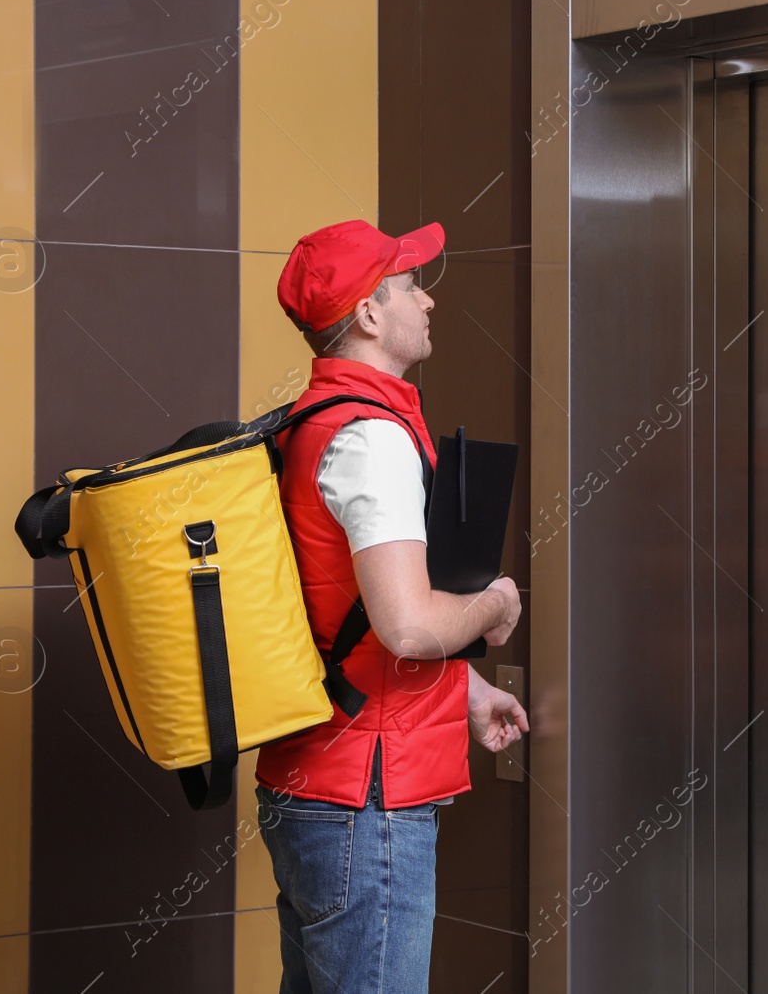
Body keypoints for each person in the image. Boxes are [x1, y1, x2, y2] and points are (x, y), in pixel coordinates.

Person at [253, 219, 529, 994]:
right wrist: (494, 602)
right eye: (411, 284)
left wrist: (467, 690)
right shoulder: (372, 440)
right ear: (370, 315)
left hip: (317, 781)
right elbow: (404, 624)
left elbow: (337, 611)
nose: (429, 299)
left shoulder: (315, 423)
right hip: (367, 803)